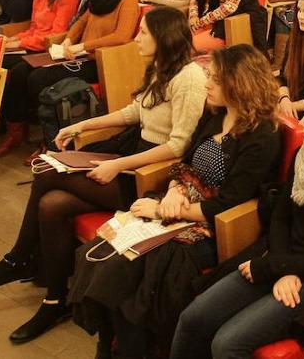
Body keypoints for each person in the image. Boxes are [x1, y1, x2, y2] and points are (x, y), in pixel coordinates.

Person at [0, 6, 205, 344]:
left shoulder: (190, 78)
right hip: (132, 154)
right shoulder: (162, 69)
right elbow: (134, 112)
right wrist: (82, 124)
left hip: (151, 176)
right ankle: (54, 299)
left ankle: (20, 258)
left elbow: (179, 146)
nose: (137, 38)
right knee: (51, 204)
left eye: (144, 33)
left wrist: (117, 165)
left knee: (48, 173)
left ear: (164, 38)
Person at [68, 44, 283, 359]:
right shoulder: (215, 115)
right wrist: (173, 190)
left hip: (213, 226)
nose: (207, 84)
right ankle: (112, 342)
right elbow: (187, 163)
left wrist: (164, 210)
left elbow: (228, 202)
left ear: (240, 84)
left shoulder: (262, 136)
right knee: (103, 253)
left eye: (216, 79)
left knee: (132, 274)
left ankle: (128, 349)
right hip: (180, 203)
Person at [170, 82, 304, 359]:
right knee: (193, 318)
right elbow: (282, 216)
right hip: (281, 257)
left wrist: (278, 267)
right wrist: (280, 266)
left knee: (227, 343)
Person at [0, 0, 83, 157]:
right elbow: (34, 28)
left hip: (49, 48)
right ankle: (10, 126)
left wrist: (18, 43)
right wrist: (13, 40)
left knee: (20, 71)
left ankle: (21, 129)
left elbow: (56, 34)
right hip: (33, 43)